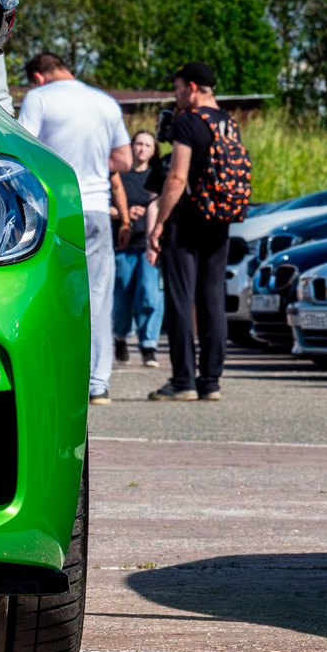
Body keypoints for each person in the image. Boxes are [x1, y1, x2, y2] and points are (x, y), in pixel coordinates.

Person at [16, 51, 132, 404]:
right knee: (98, 295)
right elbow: (125, 160)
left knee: (51, 292)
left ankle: (60, 381)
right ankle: (98, 383)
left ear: (38, 77)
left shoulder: (38, 98)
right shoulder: (105, 102)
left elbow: (22, 150)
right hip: (97, 208)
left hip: (57, 207)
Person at [145, 62, 234, 401]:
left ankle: (184, 381)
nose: (177, 94)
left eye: (180, 88)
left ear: (194, 88)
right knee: (212, 300)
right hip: (219, 219)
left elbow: (177, 178)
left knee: (181, 300)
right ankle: (211, 381)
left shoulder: (188, 122)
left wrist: (159, 223)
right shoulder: (229, 123)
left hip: (187, 221)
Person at [111, 129, 163, 365]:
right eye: (138, 144)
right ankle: (120, 338)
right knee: (121, 299)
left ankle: (148, 345)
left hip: (148, 245)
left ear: (154, 151)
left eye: (147, 145)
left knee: (149, 296)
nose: (142, 149)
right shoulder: (120, 175)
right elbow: (105, 205)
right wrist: (124, 213)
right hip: (123, 245)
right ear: (131, 146)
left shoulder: (158, 176)